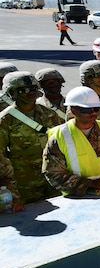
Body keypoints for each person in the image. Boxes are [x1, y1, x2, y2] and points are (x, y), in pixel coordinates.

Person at [43, 86, 100, 198]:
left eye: (96, 109)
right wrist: (90, 184)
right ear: (73, 110)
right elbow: (53, 173)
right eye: (87, 110)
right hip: (78, 197)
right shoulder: (59, 136)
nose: (93, 113)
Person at [0, 71, 62, 211]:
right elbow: (1, 161)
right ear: (12, 93)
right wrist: (12, 194)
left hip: (52, 179)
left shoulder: (49, 114)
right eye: (24, 90)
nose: (31, 92)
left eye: (33, 88)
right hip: (24, 185)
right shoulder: (5, 121)